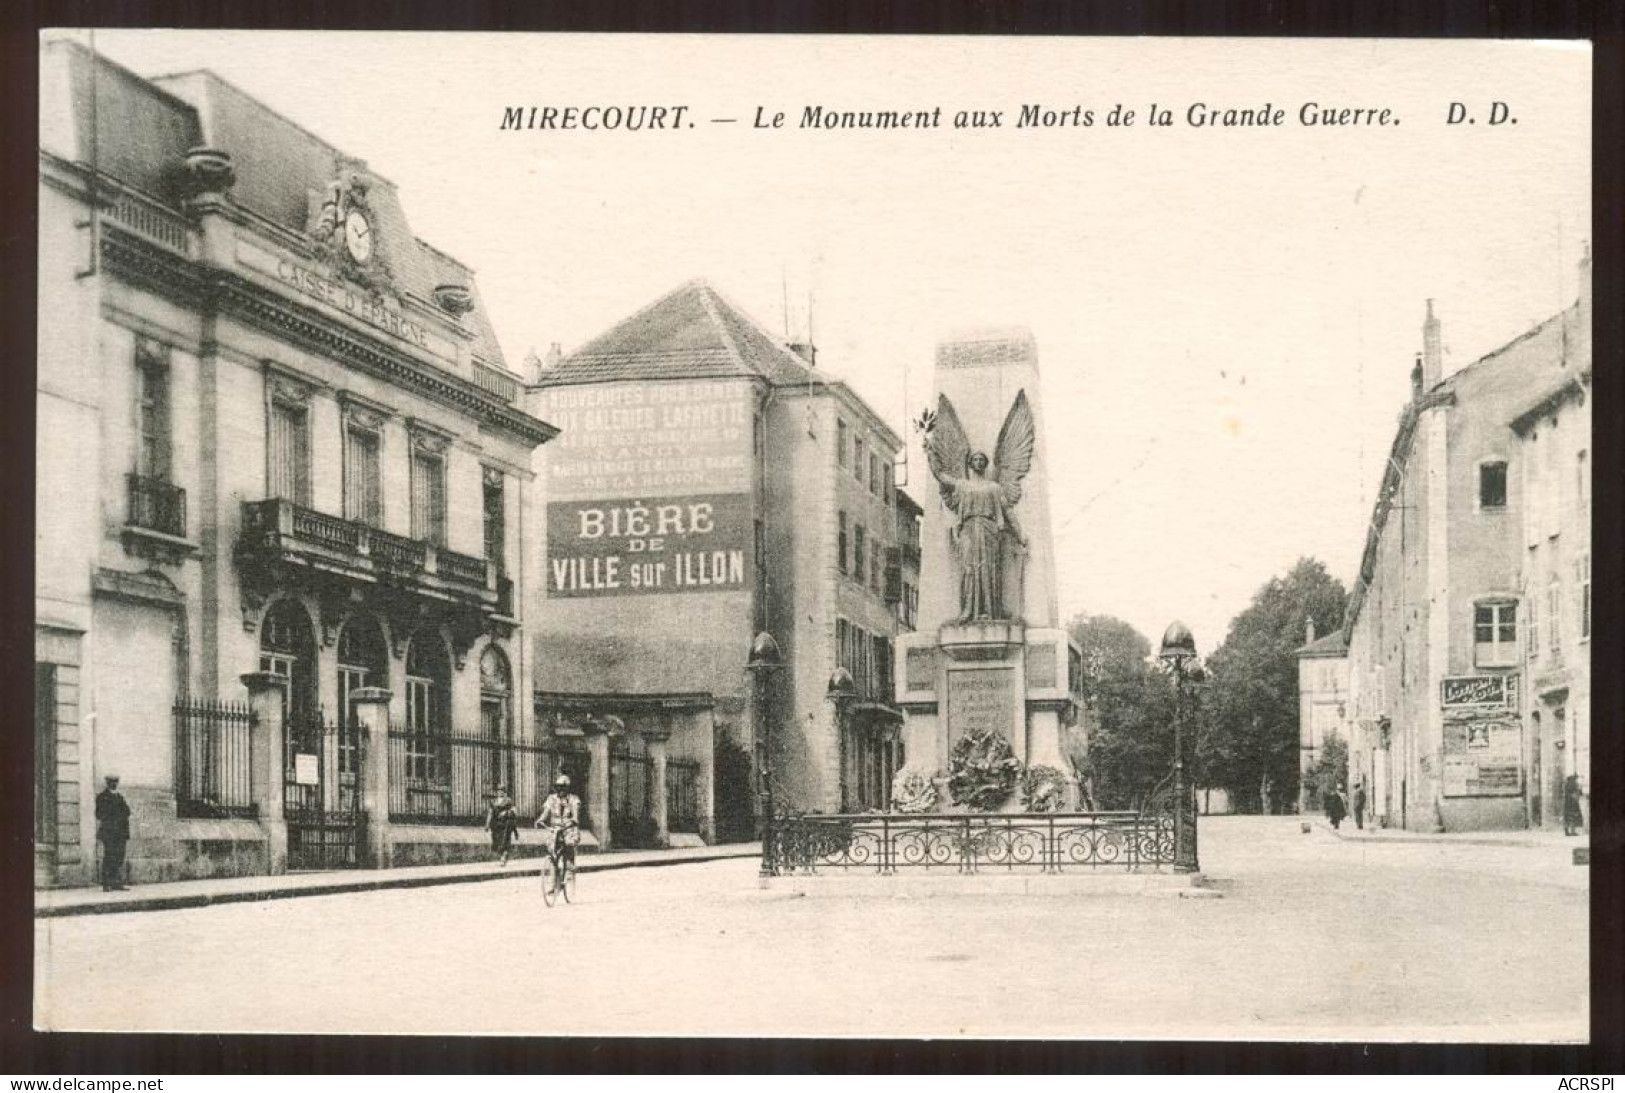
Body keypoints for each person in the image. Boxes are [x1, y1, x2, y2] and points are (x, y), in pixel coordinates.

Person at [535, 774, 582, 875]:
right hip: (555, 827)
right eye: (558, 787)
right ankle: (552, 882)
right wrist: (541, 819)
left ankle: (569, 866)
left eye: (563, 788)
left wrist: (574, 819)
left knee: (569, 842)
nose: (560, 790)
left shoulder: (573, 799)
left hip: (568, 827)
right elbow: (546, 811)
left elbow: (575, 811)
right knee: (551, 851)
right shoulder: (551, 798)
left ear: (567, 789)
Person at [95, 775, 132, 891]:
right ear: (107, 783)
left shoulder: (119, 797)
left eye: (116, 782)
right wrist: (114, 816)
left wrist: (118, 815)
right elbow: (99, 814)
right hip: (109, 832)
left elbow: (127, 811)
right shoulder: (102, 797)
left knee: (119, 857)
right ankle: (106, 883)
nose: (114, 784)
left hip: (120, 832)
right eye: (112, 782)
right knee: (109, 857)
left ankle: (116, 882)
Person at [484, 785, 519, 866]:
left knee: (504, 842)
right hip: (496, 825)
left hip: (506, 825)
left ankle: (503, 858)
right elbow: (490, 813)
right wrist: (487, 824)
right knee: (496, 842)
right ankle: (502, 857)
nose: (500, 792)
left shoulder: (508, 801)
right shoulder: (493, 801)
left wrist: (506, 813)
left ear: (504, 792)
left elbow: (515, 812)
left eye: (502, 790)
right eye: (499, 790)